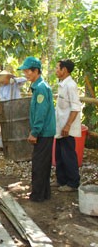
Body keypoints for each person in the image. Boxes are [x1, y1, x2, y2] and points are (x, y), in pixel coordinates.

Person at [18, 57, 56, 202]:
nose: (25, 74)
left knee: (39, 164)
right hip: (45, 131)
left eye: (27, 71)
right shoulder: (39, 86)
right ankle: (45, 193)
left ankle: (38, 196)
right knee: (43, 163)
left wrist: (35, 132)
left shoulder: (40, 88)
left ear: (36, 71)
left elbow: (41, 112)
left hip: (43, 132)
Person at [54, 59, 82, 192]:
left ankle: (73, 183)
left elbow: (76, 107)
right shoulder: (62, 84)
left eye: (57, 68)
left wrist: (68, 125)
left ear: (64, 70)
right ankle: (61, 180)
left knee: (68, 155)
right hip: (60, 126)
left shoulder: (71, 85)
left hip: (67, 128)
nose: (56, 70)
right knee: (59, 154)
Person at [0, 70, 27, 148]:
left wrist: (15, 80)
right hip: (6, 109)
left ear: (9, 77)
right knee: (6, 126)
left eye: (4, 78)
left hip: (16, 107)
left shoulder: (15, 84)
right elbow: (2, 99)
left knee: (17, 126)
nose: (3, 80)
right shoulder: (1, 88)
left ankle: (19, 144)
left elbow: (25, 79)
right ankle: (3, 145)